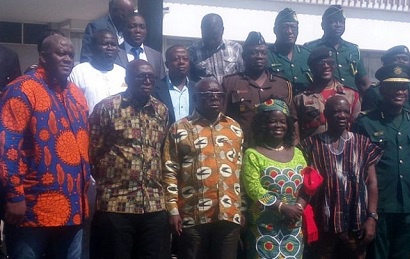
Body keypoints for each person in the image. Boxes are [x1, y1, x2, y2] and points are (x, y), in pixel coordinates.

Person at [0, 34, 90, 259]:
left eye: (71, 54)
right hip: (32, 208)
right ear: (43, 57)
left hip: (73, 207)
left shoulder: (76, 95)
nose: (67, 58)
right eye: (61, 53)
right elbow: (6, 145)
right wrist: (14, 196)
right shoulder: (22, 89)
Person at [88, 59, 170, 259]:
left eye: (151, 76)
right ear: (127, 79)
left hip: (153, 205)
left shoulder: (161, 111)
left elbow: (161, 151)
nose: (147, 80)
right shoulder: (107, 108)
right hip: (116, 204)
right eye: (141, 76)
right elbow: (93, 151)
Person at [163, 78, 244, 259]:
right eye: (208, 95)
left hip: (229, 214)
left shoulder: (234, 127)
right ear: (195, 98)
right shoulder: (180, 128)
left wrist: (242, 208)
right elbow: (169, 171)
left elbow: (239, 170)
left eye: (219, 95)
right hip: (192, 214)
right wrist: (173, 210)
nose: (214, 98)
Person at [353, 64, 410, 259]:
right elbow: (359, 167)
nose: (400, 92)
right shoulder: (366, 122)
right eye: (394, 87)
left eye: (403, 87)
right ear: (382, 89)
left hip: (408, 205)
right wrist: (370, 213)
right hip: (379, 205)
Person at [300, 96, 383, 258]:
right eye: (336, 111)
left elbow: (372, 183)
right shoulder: (309, 145)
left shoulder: (362, 143)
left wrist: (372, 217)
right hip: (322, 224)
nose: (342, 115)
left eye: (345, 111)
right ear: (326, 114)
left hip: (355, 223)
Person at [241, 98, 308, 258]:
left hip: (293, 226)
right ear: (262, 125)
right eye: (272, 121)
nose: (278, 125)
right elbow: (253, 189)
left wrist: (297, 209)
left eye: (282, 121)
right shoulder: (253, 154)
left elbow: (307, 184)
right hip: (264, 225)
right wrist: (282, 207)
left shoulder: (297, 153)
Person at [223, 31, 294, 147]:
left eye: (263, 53)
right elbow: (223, 119)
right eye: (254, 53)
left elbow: (293, 120)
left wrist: (292, 147)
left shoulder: (282, 84)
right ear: (243, 56)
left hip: (276, 151)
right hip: (242, 147)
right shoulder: (230, 83)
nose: (259, 57)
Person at [294, 46, 361, 140]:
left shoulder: (351, 95)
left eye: (330, 62)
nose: (326, 66)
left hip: (345, 150)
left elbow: (357, 128)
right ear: (311, 68)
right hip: (312, 151)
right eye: (321, 63)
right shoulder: (300, 98)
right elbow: (295, 133)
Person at [304, 5, 370, 95]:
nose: (338, 25)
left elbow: (363, 83)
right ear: (323, 25)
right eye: (333, 22)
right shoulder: (310, 48)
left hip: (349, 101)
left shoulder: (353, 49)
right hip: (321, 100)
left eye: (341, 22)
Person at [69, 29, 127, 114]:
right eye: (105, 44)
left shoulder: (123, 73)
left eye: (113, 44)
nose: (110, 48)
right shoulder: (79, 72)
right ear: (92, 47)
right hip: (89, 126)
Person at [362, 45, 410, 117]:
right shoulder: (374, 92)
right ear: (385, 63)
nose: (401, 62)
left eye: (405, 59)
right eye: (395, 59)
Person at [267, 8, 312, 95]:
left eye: (293, 27)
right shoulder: (267, 55)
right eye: (285, 27)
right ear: (275, 30)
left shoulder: (307, 55)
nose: (289, 32)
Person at [188, 13, 243, 83]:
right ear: (201, 30)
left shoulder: (236, 48)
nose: (211, 39)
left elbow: (242, 74)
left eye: (214, 35)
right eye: (207, 35)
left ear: (222, 30)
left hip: (231, 93)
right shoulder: (192, 52)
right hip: (205, 93)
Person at [152, 45, 195, 125]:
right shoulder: (154, 89)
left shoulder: (197, 89)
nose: (181, 62)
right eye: (176, 59)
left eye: (185, 59)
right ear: (167, 64)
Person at [115, 13, 166, 80]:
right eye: (132, 26)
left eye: (142, 27)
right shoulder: (114, 53)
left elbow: (160, 84)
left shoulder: (156, 56)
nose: (138, 31)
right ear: (123, 29)